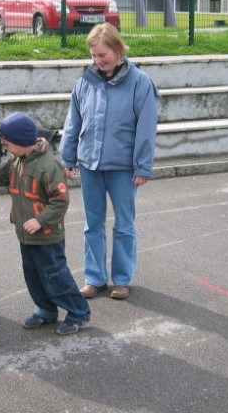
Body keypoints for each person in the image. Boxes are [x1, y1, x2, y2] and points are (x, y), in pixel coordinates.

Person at [0, 112, 91, 335]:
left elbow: (60, 201)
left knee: (55, 276)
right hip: (26, 235)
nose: (5, 147)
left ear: (20, 142)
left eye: (7, 144)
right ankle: (46, 310)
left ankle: (78, 312)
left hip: (46, 236)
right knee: (33, 275)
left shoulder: (49, 166)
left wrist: (39, 220)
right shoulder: (18, 161)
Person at [59, 23, 158, 301]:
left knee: (124, 224)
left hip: (123, 167)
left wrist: (142, 166)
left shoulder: (140, 82)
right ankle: (95, 278)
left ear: (117, 49)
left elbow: (146, 127)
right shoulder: (84, 81)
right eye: (93, 56)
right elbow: (73, 120)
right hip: (90, 164)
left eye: (103, 55)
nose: (98, 61)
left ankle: (122, 280)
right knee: (93, 224)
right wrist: (68, 156)